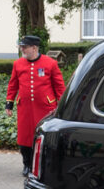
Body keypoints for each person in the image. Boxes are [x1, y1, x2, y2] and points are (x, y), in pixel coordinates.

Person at [5, 35, 64, 175]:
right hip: (24, 108)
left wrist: (62, 106)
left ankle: (43, 165)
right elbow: (13, 85)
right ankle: (27, 164)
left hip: (45, 108)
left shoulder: (50, 63)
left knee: (44, 137)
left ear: (34, 48)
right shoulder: (18, 64)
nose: (22, 49)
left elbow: (59, 86)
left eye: (25, 47)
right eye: (21, 47)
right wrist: (9, 104)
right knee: (24, 138)